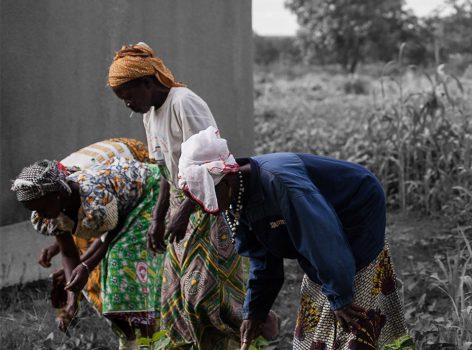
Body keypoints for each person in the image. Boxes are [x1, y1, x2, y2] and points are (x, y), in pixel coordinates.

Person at [176, 127, 410, 349]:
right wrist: (255, 312)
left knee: (351, 303)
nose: (207, 207)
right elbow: (263, 260)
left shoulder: (281, 185)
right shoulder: (234, 197)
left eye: (208, 196)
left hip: (356, 209)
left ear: (224, 181)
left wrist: (341, 298)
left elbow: (322, 239)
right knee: (323, 290)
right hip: (321, 228)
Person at [107, 42, 276, 348]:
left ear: (148, 82)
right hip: (178, 209)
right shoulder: (150, 115)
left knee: (204, 296)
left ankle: (259, 324)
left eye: (129, 96)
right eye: (122, 100)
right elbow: (164, 171)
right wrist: (158, 217)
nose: (127, 105)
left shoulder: (184, 103)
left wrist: (183, 212)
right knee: (176, 299)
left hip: (208, 204)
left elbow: (214, 164)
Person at [12, 158, 164, 350]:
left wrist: (86, 266)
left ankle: (152, 339)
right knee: (111, 281)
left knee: (121, 267)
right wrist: (71, 301)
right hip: (119, 212)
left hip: (149, 192)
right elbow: (68, 253)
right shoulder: (50, 214)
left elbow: (110, 235)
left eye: (41, 208)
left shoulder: (94, 199)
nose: (39, 215)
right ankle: (134, 343)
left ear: (57, 194)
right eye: (35, 210)